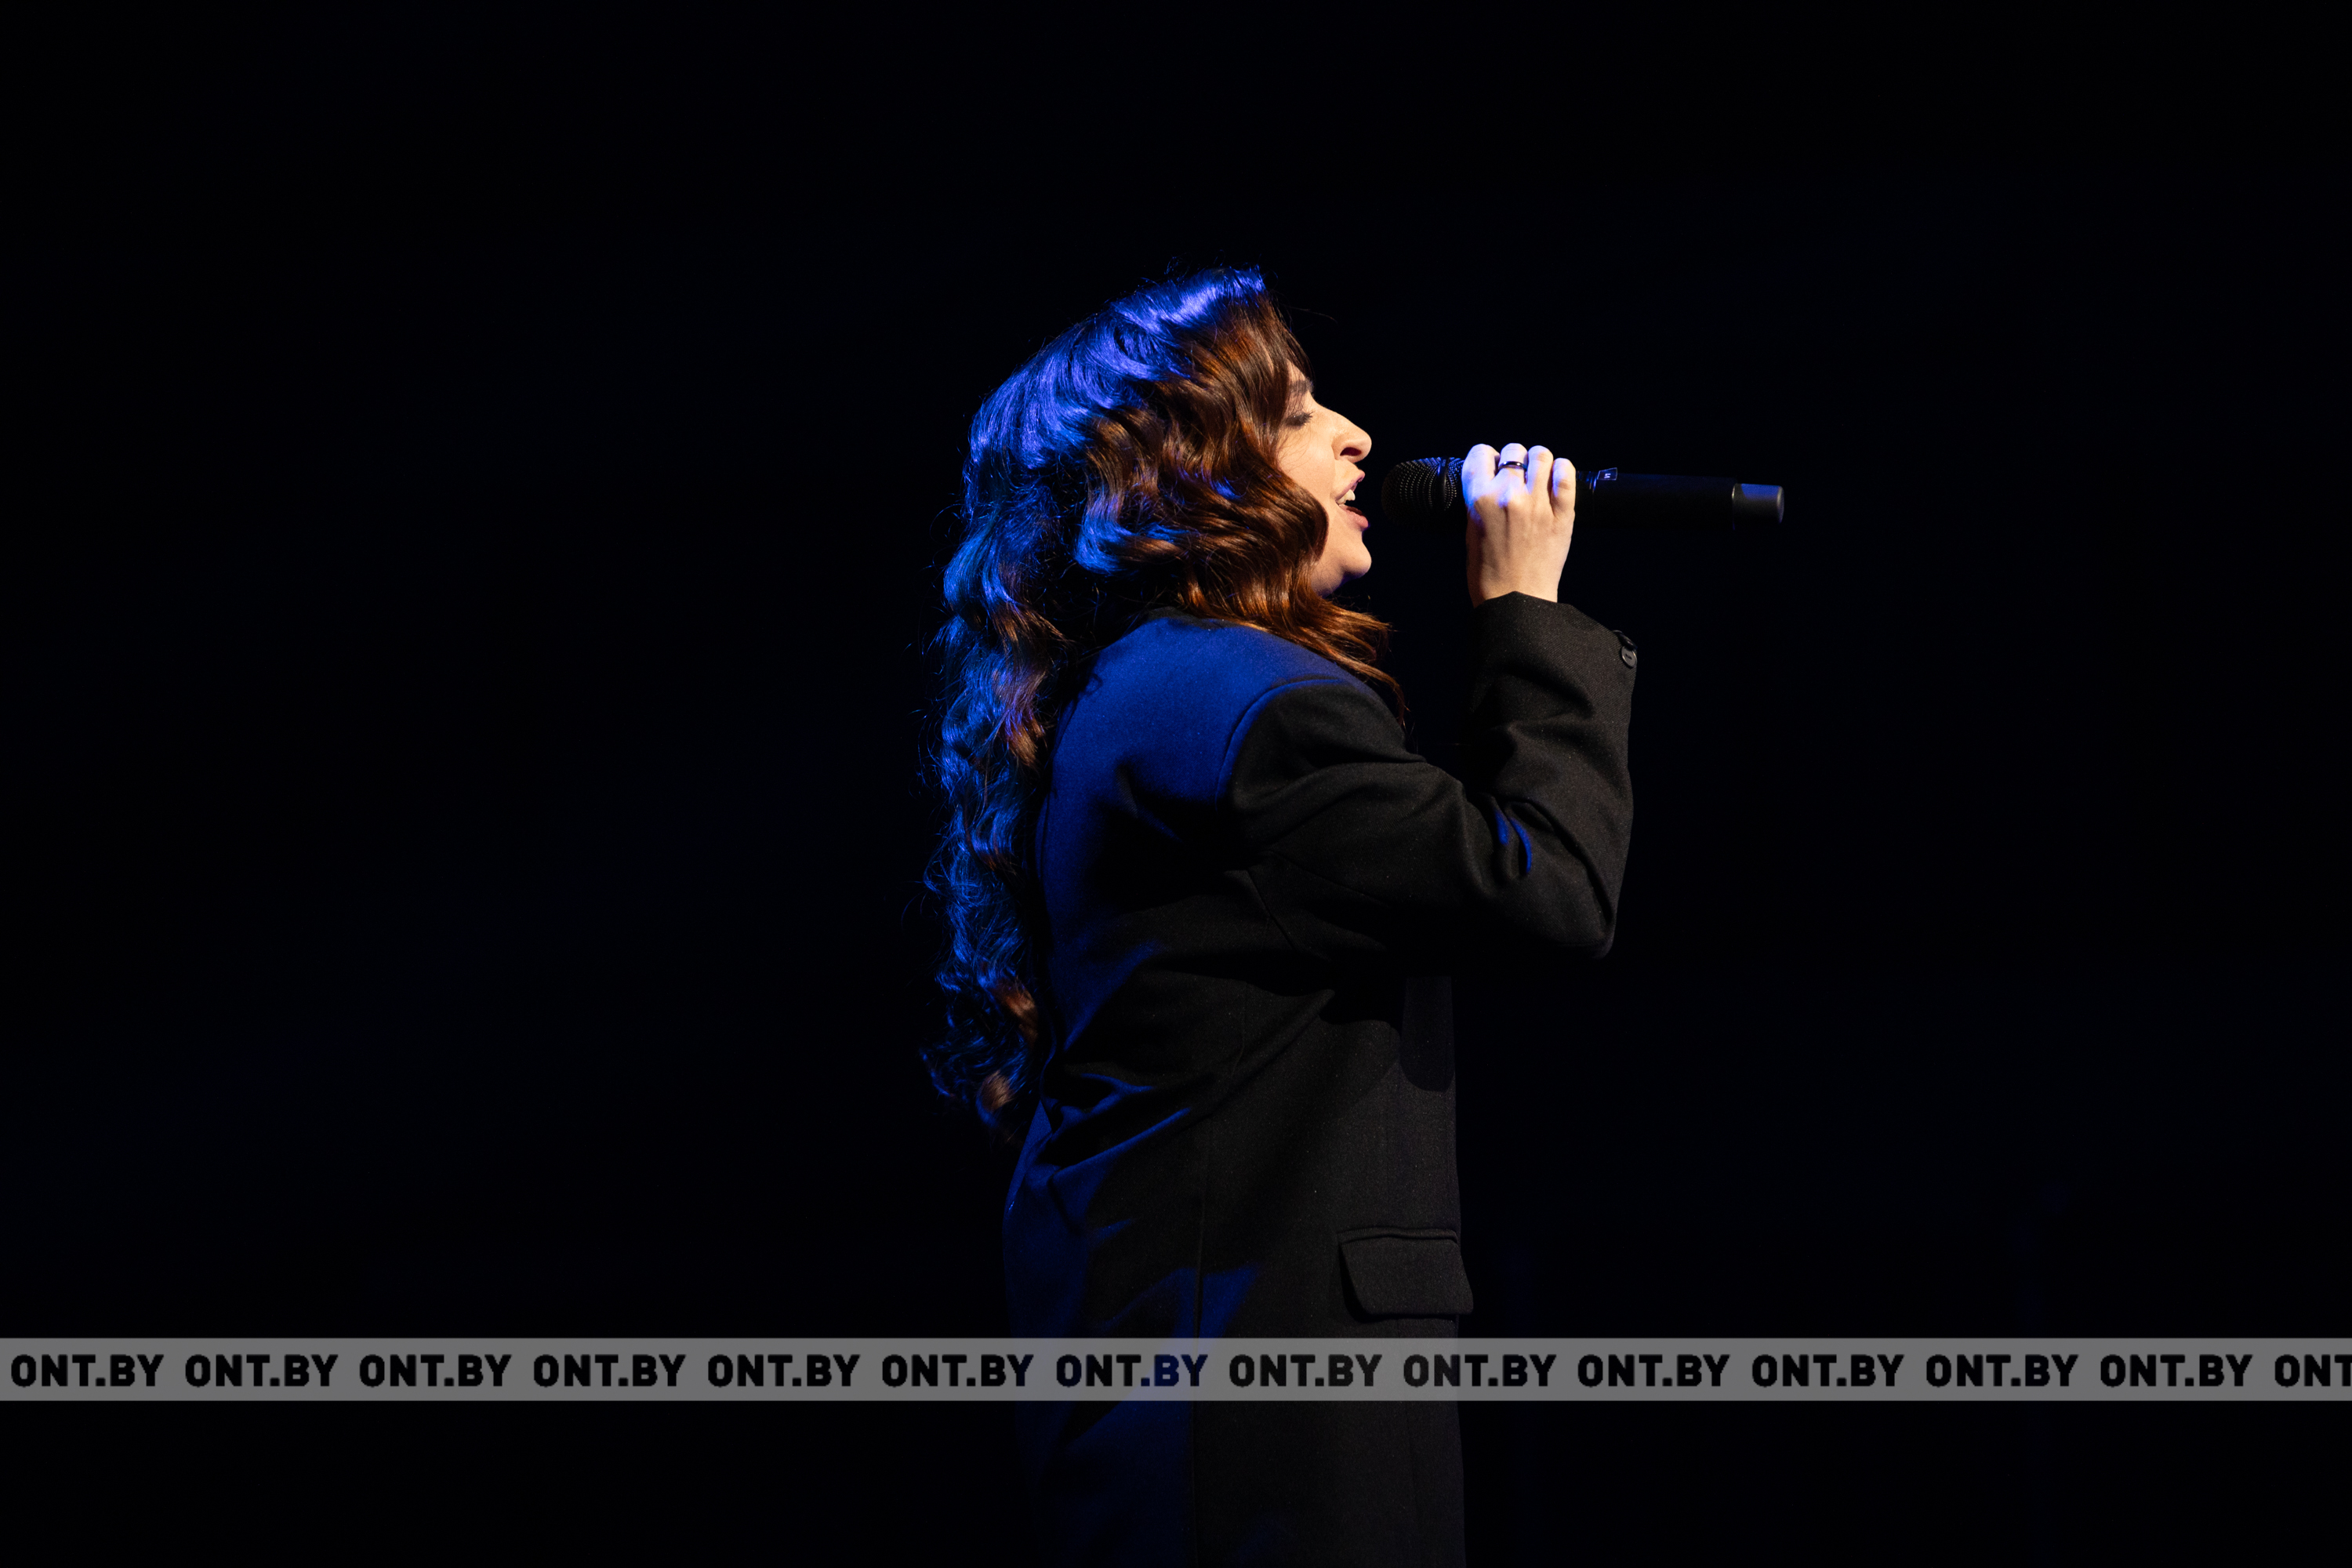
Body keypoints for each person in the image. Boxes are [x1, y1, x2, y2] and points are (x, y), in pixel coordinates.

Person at [928, 268, 1635, 1566]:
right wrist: (1525, 616)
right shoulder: (1246, 703)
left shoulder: (1148, 694)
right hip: (1268, 1422)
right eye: (1300, 412)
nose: (1357, 436)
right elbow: (1546, 891)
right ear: (1191, 472)